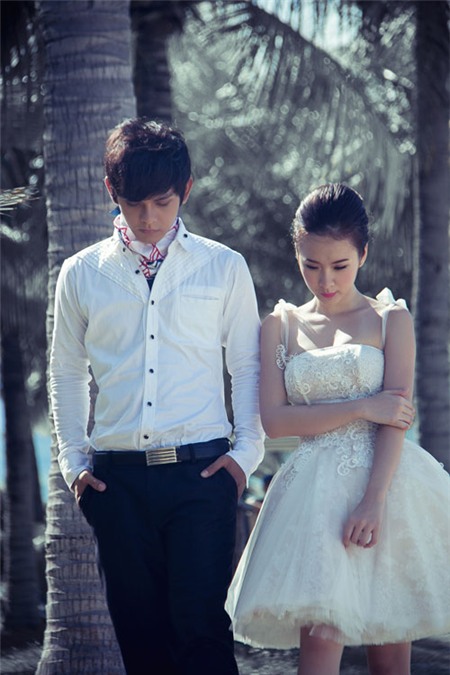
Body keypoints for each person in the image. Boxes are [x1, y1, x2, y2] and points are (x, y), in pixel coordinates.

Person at [49, 118, 265, 675]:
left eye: (162, 202)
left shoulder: (224, 267)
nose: (147, 218)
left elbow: (247, 366)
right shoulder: (80, 273)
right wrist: (75, 464)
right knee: (141, 645)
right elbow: (67, 372)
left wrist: (245, 457)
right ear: (110, 191)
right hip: (115, 484)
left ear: (185, 190)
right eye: (133, 203)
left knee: (203, 639)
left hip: (203, 477)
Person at [226, 183, 450, 675]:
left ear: (363, 254)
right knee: (319, 653)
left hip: (389, 488)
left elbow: (396, 420)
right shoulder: (280, 326)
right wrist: (364, 406)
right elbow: (276, 422)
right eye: (311, 265)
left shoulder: (391, 319)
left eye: (339, 266)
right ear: (297, 254)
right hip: (313, 497)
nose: (324, 280)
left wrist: (374, 499)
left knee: (390, 657)